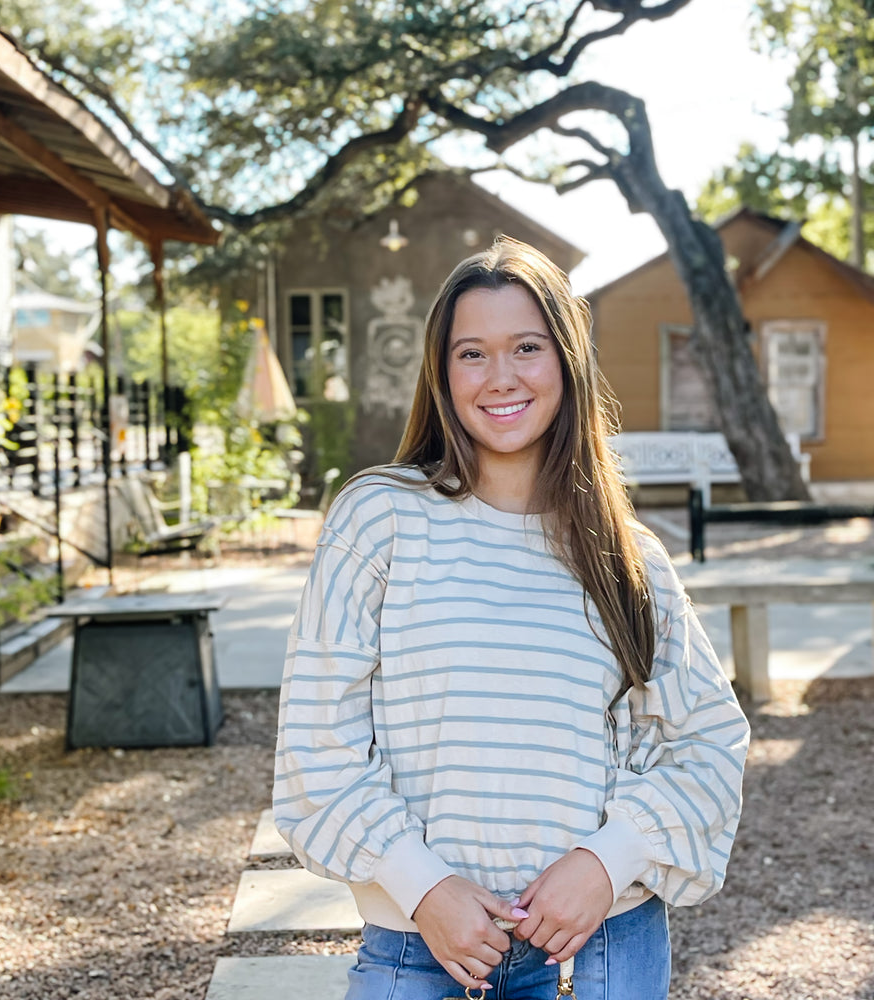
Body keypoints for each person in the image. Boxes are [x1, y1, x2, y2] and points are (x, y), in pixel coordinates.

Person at [273, 236, 750, 1000]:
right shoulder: (380, 520)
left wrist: (607, 861)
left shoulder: (629, 558)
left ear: (565, 360)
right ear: (442, 371)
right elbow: (314, 751)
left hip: (597, 955)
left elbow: (709, 744)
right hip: (418, 953)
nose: (501, 377)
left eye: (526, 347)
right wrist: (423, 886)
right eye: (472, 353)